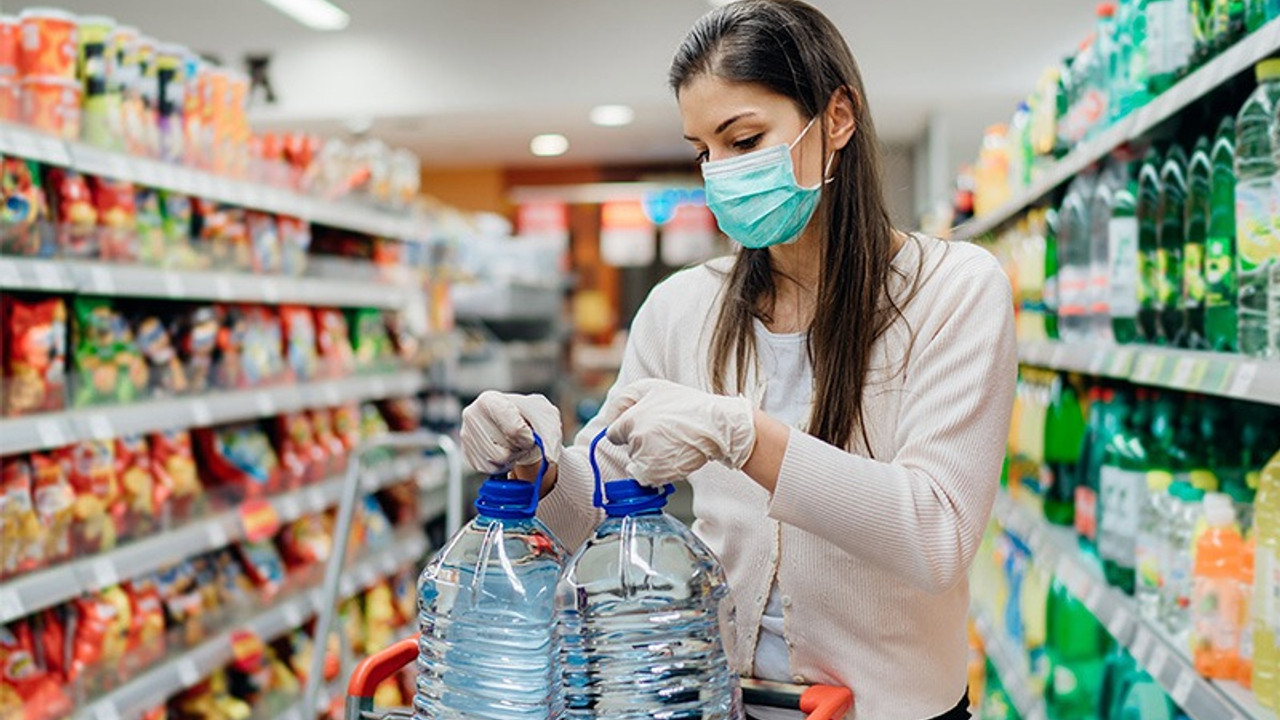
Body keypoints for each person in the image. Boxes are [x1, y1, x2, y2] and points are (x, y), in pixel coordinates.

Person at [459, 1, 1016, 718]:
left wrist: (747, 436)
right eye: (703, 150)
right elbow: (592, 510)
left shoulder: (954, 291)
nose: (720, 173)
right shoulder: (680, 309)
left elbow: (936, 534)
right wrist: (533, 466)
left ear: (836, 119)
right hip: (719, 700)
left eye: (744, 139)